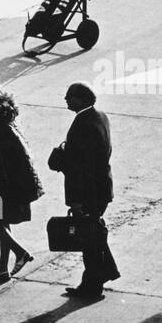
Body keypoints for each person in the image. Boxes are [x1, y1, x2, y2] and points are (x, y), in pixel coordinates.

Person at [51, 83, 119, 300]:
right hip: (101, 187)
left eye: (69, 97)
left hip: (89, 192)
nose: (66, 100)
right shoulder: (99, 116)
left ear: (81, 99)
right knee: (94, 234)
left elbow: (81, 167)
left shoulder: (83, 123)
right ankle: (99, 276)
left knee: (89, 238)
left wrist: (77, 201)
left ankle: (92, 285)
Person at [0, 82, 42, 280]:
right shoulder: (8, 115)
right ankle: (3, 268)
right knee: (1, 221)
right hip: (12, 181)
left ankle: (20, 252)